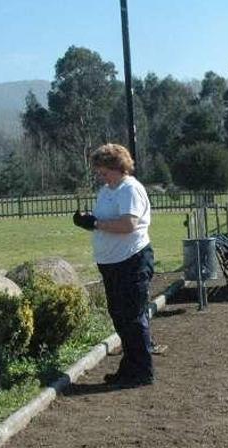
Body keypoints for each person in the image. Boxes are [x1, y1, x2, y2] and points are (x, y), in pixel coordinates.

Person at [73, 143, 155, 388]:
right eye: (99, 171)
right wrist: (89, 220)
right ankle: (129, 368)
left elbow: (128, 225)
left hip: (132, 261)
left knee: (132, 316)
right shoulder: (108, 190)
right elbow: (105, 218)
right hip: (112, 263)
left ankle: (142, 371)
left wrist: (96, 224)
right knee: (120, 317)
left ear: (118, 167)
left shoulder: (130, 189)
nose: (101, 175)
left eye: (104, 171)